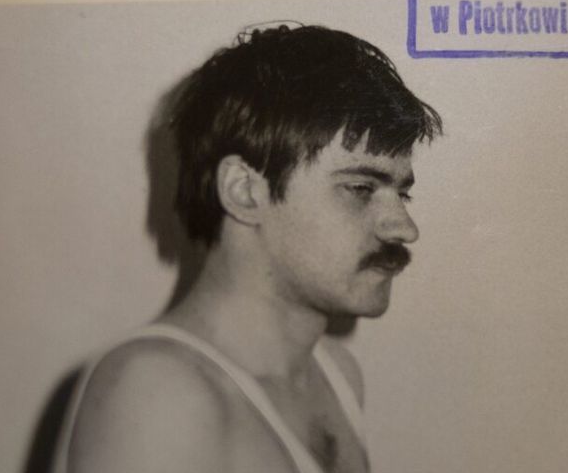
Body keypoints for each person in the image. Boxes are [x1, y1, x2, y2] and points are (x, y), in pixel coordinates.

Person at [55, 24, 442, 473]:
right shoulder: (158, 392)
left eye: (402, 194)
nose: (404, 228)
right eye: (360, 188)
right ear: (243, 190)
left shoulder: (336, 375)